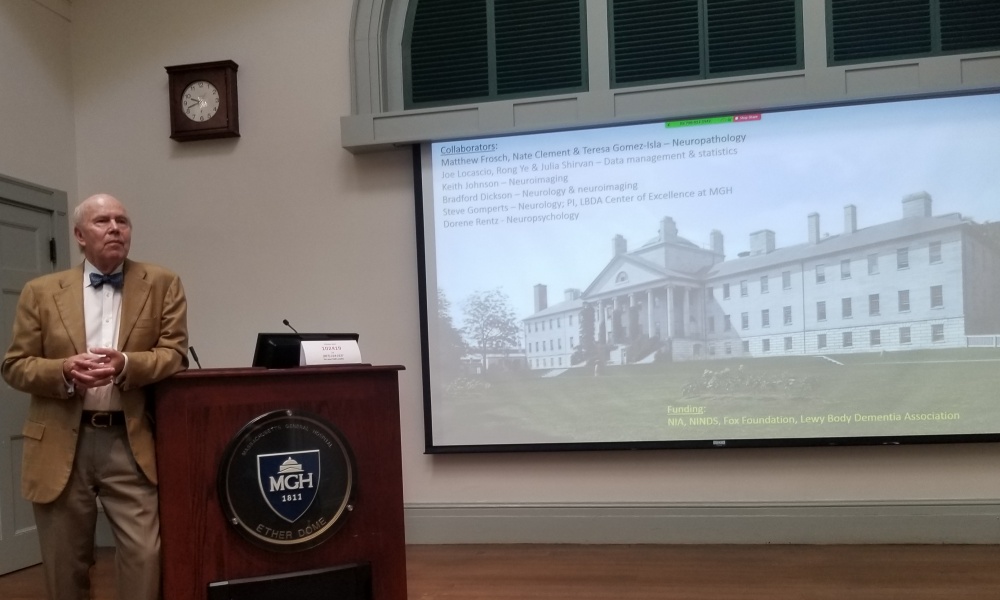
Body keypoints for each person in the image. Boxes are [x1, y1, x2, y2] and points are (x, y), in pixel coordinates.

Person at [2, 193, 188, 600]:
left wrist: (127, 364)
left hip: (130, 440)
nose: (115, 228)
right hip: (59, 442)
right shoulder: (40, 291)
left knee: (145, 556)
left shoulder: (162, 283)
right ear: (79, 235)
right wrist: (63, 370)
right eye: (102, 221)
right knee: (65, 567)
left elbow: (175, 354)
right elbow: (14, 365)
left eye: (122, 221)